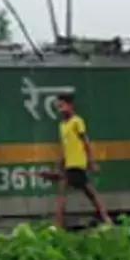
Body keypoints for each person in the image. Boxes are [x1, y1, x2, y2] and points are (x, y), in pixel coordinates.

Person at [53, 93, 110, 229]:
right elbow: (64, 147)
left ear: (70, 105)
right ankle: (106, 219)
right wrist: (58, 165)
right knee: (86, 192)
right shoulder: (62, 126)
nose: (60, 109)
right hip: (68, 164)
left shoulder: (77, 121)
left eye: (62, 106)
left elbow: (86, 142)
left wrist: (91, 162)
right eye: (58, 107)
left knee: (70, 193)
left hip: (78, 163)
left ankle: (57, 225)